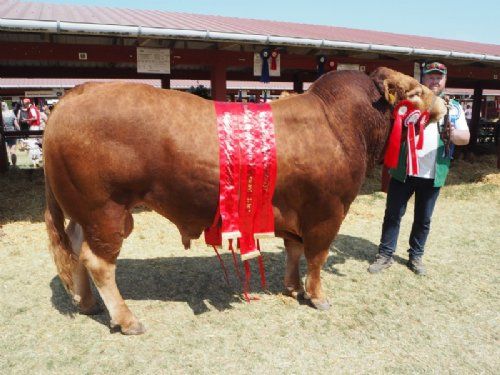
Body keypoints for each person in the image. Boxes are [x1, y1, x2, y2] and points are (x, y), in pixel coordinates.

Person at [368, 62, 470, 275]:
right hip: (404, 169)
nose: (435, 80)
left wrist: (450, 132)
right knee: (393, 214)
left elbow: (465, 137)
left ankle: (416, 256)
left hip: (433, 172)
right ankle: (385, 255)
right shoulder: (409, 102)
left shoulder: (454, 107)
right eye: (431, 77)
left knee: (423, 218)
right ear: (423, 79)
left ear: (445, 80)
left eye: (438, 77)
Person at [2, 101, 20, 167]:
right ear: (6, 106)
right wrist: (20, 131)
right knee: (13, 150)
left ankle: (7, 164)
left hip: (4, 133)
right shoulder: (11, 112)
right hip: (12, 132)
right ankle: (14, 165)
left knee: (6, 150)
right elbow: (16, 124)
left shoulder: (1, 114)